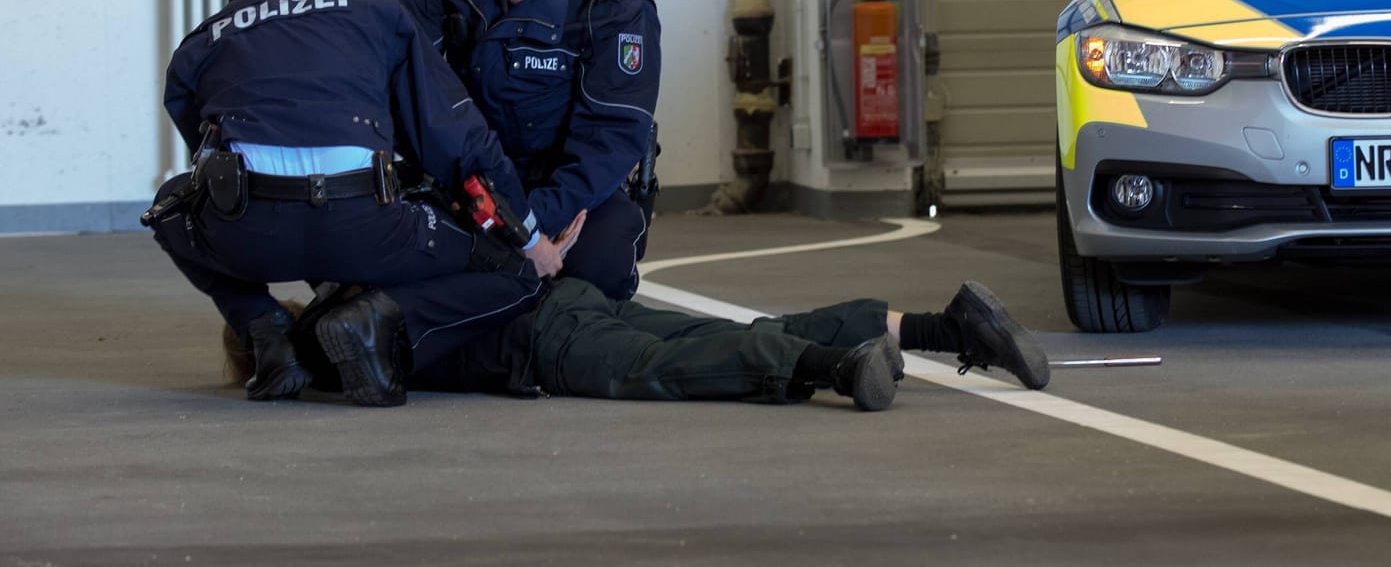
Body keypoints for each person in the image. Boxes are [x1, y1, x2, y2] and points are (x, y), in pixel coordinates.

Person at [149, 0, 557, 407]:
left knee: (170, 205)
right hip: (365, 227)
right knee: (519, 276)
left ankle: (266, 330)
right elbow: (455, 135)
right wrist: (528, 236)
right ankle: (378, 318)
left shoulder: (204, 41)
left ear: (240, 5)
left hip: (251, 234)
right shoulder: (374, 12)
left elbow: (205, 163)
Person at [397, 0, 659, 302]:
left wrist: (529, 224)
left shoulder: (616, 6)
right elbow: (408, 86)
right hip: (467, 175)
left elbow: (612, 137)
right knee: (405, 263)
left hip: (567, 184)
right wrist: (499, 223)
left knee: (599, 269)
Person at [230, 277, 1050, 413]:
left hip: (544, 345)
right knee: (729, 334)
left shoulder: (329, 335)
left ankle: (836, 370)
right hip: (561, 294)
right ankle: (950, 327)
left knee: (671, 370)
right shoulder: (362, 272)